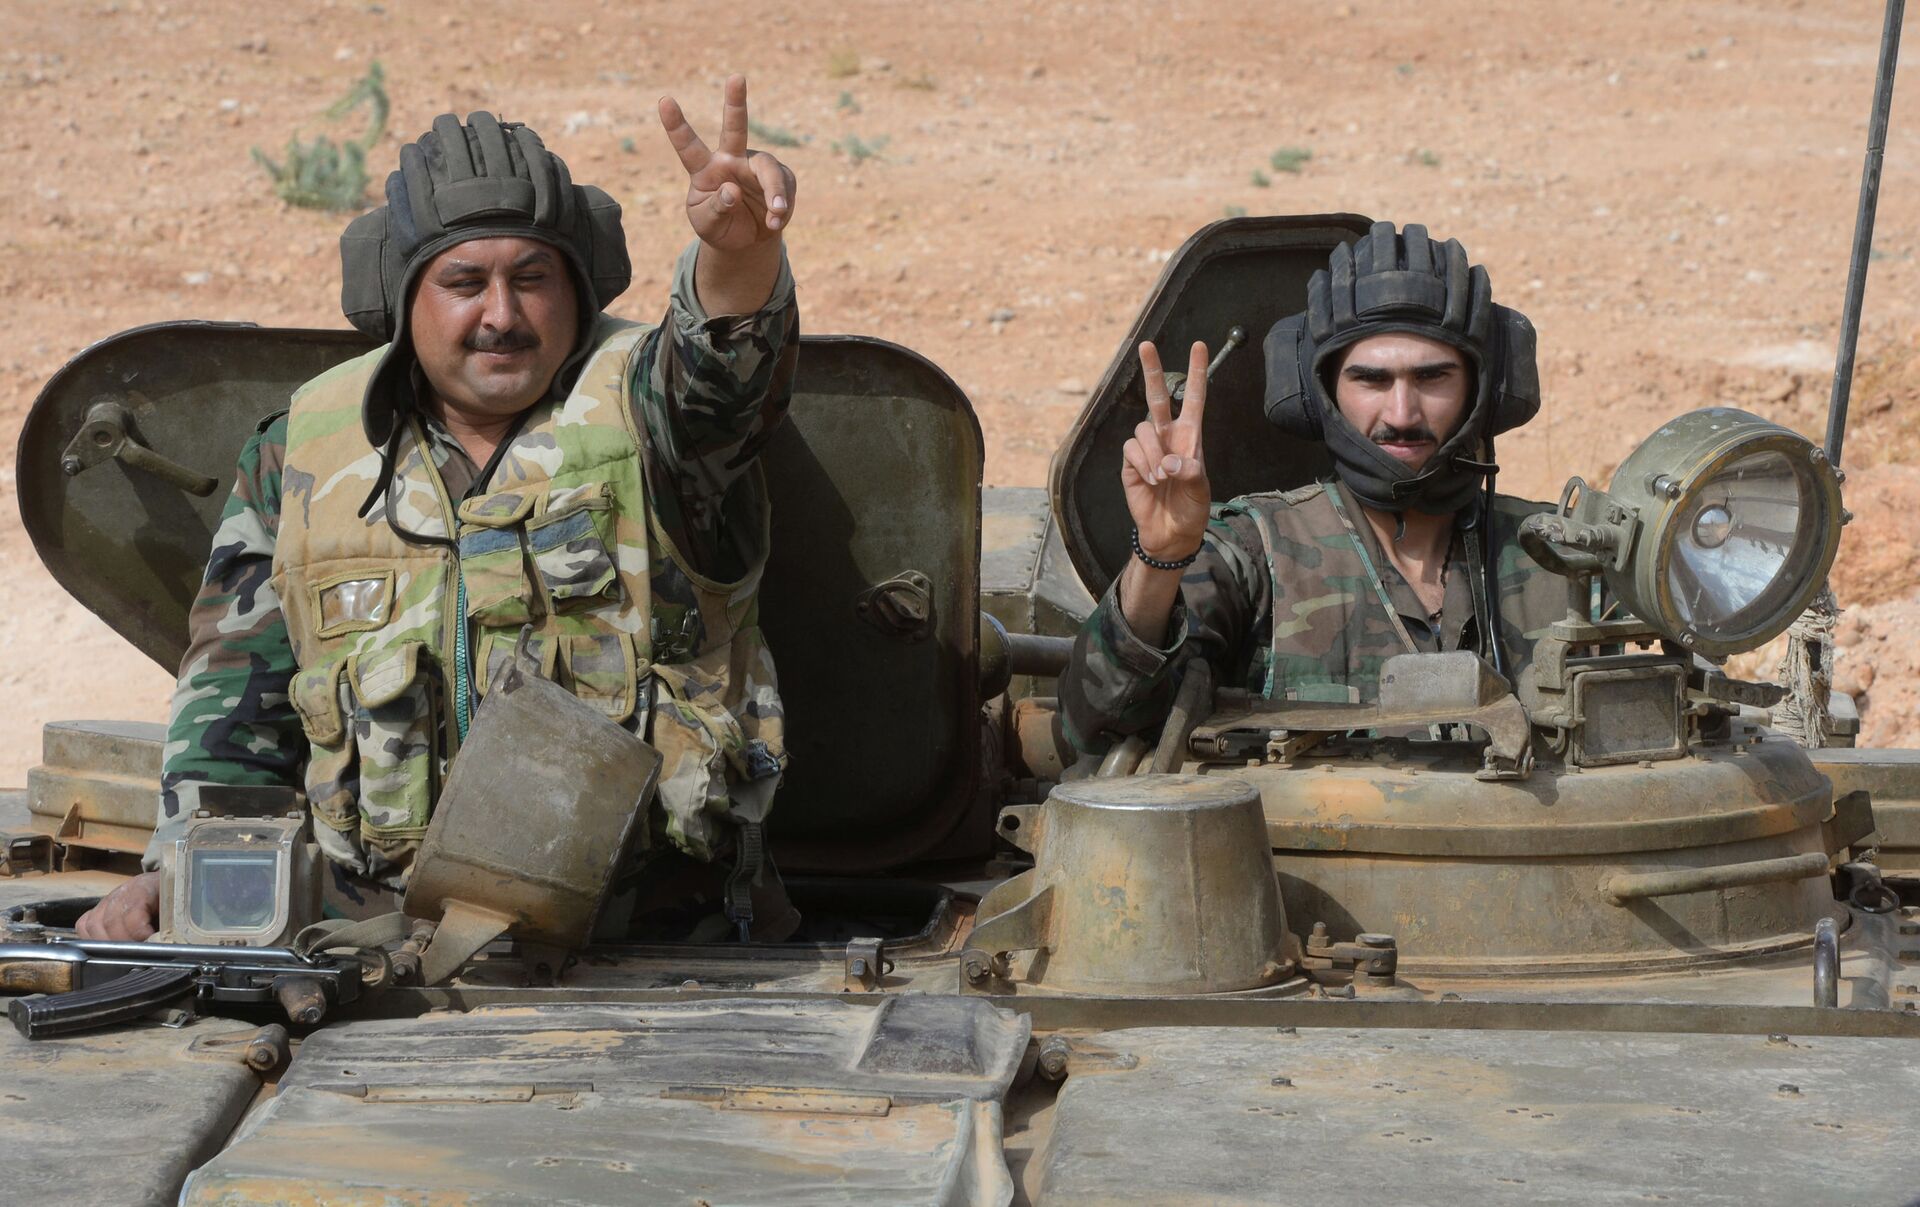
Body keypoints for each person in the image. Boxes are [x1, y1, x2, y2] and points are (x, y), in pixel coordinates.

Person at [78, 77, 800, 940]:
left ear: (577, 288)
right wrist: (179, 871)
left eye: (532, 278)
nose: (502, 314)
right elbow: (235, 705)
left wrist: (739, 257)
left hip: (653, 943)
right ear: (405, 298)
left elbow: (726, 373)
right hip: (371, 940)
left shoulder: (654, 413)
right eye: (464, 281)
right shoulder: (300, 454)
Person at [1059, 221, 1569, 751]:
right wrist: (1159, 559)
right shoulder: (1252, 557)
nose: (1401, 413)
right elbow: (1093, 728)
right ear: (1317, 391)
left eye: (1432, 377)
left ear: (1481, 389)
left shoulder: (1560, 559)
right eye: (1370, 379)